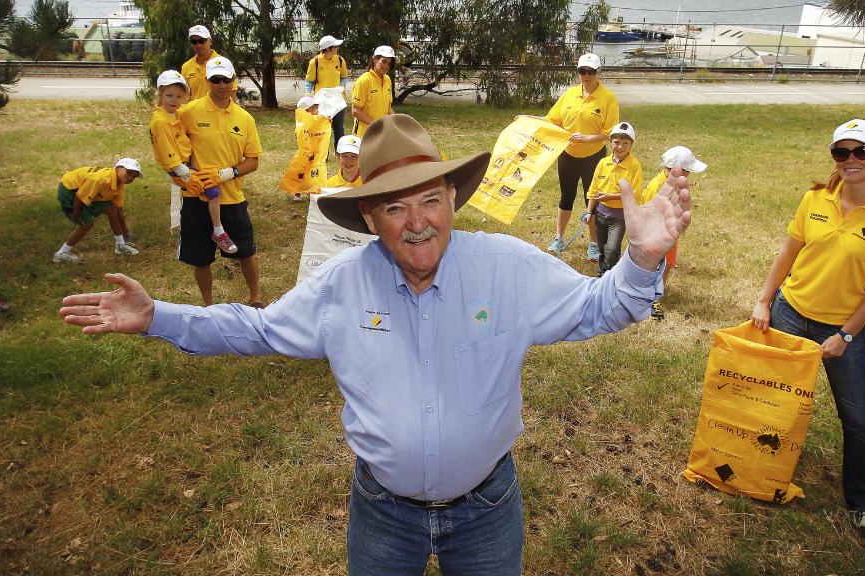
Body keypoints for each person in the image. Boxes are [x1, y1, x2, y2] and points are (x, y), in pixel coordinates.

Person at [60, 114, 693, 575]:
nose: (417, 222)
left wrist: (639, 260)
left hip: (488, 507)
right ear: (369, 218)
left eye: (429, 201)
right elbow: (256, 330)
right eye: (395, 208)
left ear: (453, 199)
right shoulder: (341, 285)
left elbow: (601, 306)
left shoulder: (508, 268)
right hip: (383, 513)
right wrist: (158, 318)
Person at [750, 119, 865, 540]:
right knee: (775, 402)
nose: (851, 160)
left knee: (858, 417)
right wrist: (765, 301)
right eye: (841, 152)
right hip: (790, 311)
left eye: (861, 151)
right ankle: (763, 472)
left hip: (843, 329)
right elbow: (786, 255)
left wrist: (846, 335)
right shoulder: (815, 199)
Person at [177, 56, 264, 307]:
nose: (221, 84)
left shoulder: (245, 118)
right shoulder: (188, 113)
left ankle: (255, 299)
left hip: (232, 198)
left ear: (234, 81)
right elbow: (168, 144)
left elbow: (253, 161)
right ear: (207, 81)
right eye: (215, 80)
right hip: (196, 198)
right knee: (201, 258)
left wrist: (225, 174)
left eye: (226, 79)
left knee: (246, 252)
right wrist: (186, 176)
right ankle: (208, 305)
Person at [149, 70, 237, 253]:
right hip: (180, 167)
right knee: (213, 192)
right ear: (159, 94)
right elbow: (167, 151)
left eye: (179, 96)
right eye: (169, 95)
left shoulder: (172, 114)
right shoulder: (161, 121)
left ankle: (207, 229)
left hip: (184, 165)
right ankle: (218, 231)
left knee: (206, 194)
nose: (174, 100)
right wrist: (184, 173)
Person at [541, 53, 619, 255]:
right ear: (578, 73)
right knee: (566, 196)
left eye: (591, 71)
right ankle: (559, 238)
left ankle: (593, 243)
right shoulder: (570, 94)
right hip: (567, 155)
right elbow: (551, 120)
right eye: (583, 71)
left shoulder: (608, 98)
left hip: (594, 157)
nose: (587, 75)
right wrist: (527, 120)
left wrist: (587, 138)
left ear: (599, 72)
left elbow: (611, 132)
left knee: (591, 199)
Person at [638, 145, 707, 319]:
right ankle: (647, 298)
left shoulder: (675, 183)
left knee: (667, 263)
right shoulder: (659, 186)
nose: (689, 175)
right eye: (687, 171)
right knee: (654, 266)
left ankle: (656, 294)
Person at [53, 158, 142, 263]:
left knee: (112, 210)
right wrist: (76, 214)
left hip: (86, 191)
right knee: (87, 224)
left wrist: (125, 232)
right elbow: (79, 197)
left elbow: (119, 210)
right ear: (118, 168)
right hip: (69, 190)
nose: (131, 177)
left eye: (134, 176)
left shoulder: (119, 185)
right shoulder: (101, 180)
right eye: (129, 172)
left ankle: (120, 246)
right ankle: (61, 254)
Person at [581, 121, 642, 275]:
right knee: (602, 249)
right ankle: (604, 273)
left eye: (625, 143)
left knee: (612, 248)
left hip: (620, 217)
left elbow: (634, 194)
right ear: (610, 142)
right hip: (601, 215)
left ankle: (606, 276)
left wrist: (610, 196)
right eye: (616, 142)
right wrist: (589, 212)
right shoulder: (603, 163)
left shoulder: (634, 166)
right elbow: (593, 189)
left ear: (631, 145)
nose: (620, 147)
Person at [305, 35, 349, 153]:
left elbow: (344, 77)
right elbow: (309, 81)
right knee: (323, 129)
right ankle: (322, 155)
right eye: (335, 46)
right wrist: (307, 94)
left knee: (339, 129)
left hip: (338, 100)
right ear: (328, 48)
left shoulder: (340, 60)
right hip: (321, 102)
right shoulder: (315, 62)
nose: (337, 48)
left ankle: (340, 154)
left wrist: (342, 87)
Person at [181, 25, 237, 101]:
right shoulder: (186, 67)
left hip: (218, 111)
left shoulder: (224, 64)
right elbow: (185, 95)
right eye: (194, 42)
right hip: (195, 111)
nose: (198, 45)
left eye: (202, 41)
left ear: (210, 41)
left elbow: (232, 93)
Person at [351, 45, 395, 137]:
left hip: (380, 133)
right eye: (384, 62)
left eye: (389, 63)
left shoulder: (387, 80)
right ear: (375, 59)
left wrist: (395, 123)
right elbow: (355, 111)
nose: (387, 66)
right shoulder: (364, 80)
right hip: (364, 135)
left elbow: (388, 108)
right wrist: (376, 125)